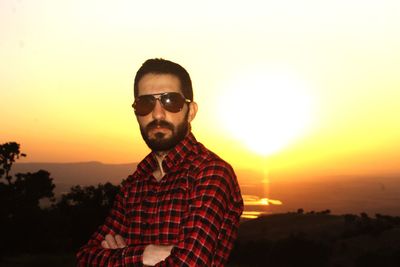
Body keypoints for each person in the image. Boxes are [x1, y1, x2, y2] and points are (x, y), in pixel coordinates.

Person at [76, 58, 243, 266]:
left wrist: (122, 256)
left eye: (170, 101)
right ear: (136, 113)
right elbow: (85, 258)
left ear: (190, 111)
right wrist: (145, 254)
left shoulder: (211, 173)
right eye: (145, 103)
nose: (157, 113)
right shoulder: (133, 185)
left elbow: (188, 264)